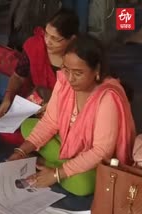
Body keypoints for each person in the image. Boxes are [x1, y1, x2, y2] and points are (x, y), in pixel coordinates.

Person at [8, 34, 136, 210]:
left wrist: (56, 175)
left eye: (78, 73)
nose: (70, 78)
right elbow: (50, 121)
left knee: (83, 185)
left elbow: (101, 151)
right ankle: (59, 165)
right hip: (68, 142)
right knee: (28, 127)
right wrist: (21, 152)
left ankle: (50, 165)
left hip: (96, 158)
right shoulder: (65, 82)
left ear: (96, 70)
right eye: (66, 69)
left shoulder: (107, 98)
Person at [0, 9, 79, 145]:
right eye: (46, 34)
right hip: (39, 103)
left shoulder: (80, 57)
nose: (48, 42)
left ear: (72, 39)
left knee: (71, 135)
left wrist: (55, 107)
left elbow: (85, 96)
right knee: (6, 131)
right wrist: (7, 97)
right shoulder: (35, 46)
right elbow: (18, 76)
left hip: (68, 110)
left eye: (55, 39)